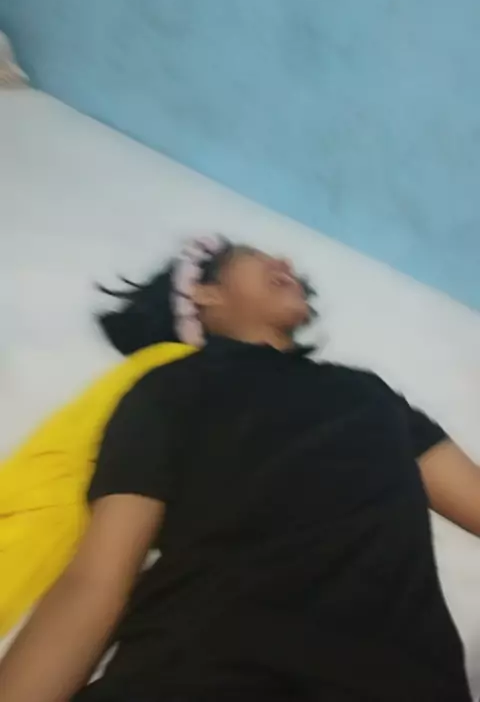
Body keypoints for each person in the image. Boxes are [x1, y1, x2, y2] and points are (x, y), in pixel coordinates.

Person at [0, 235, 478, 702]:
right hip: (192, 679)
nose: (286, 261)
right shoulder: (170, 388)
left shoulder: (368, 393)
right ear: (204, 294)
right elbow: (96, 582)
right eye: (252, 256)